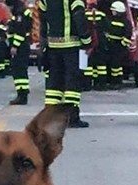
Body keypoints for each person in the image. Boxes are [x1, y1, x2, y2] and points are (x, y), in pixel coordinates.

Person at [39, 0, 92, 128]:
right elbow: (79, 18)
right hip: (72, 46)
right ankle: (71, 117)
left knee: (54, 83)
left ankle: (49, 117)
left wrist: (44, 42)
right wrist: (87, 41)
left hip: (53, 45)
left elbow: (43, 20)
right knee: (73, 83)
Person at [7, 0, 32, 105]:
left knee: (19, 70)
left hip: (20, 47)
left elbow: (20, 31)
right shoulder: (20, 11)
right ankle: (22, 93)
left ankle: (22, 95)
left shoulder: (20, 13)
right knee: (19, 70)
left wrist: (15, 45)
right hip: (22, 45)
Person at [105, 1, 131, 90]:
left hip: (119, 46)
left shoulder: (126, 22)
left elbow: (128, 35)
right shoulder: (111, 19)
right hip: (112, 45)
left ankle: (116, 82)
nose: (112, 12)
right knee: (115, 65)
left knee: (115, 65)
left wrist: (122, 45)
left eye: (114, 10)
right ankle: (117, 81)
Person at [87, 0, 108, 91]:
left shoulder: (84, 14)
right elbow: (108, 27)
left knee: (88, 64)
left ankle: (87, 84)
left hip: (89, 42)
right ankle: (101, 84)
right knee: (101, 64)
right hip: (100, 42)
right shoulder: (102, 14)